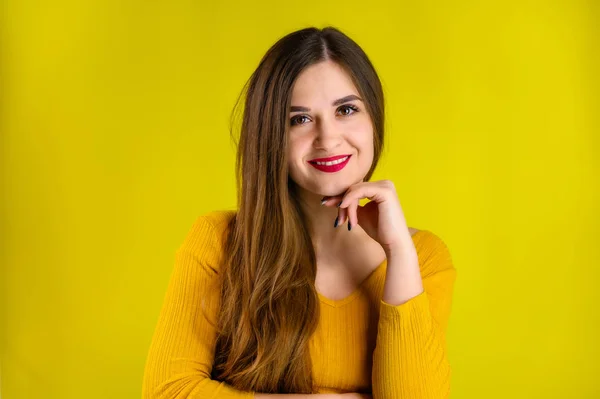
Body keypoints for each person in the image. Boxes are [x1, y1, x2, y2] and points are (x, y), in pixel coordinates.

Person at [142, 26, 457, 399]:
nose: (328, 138)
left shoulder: (423, 258)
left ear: (374, 118)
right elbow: (167, 391)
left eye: (346, 110)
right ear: (270, 134)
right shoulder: (220, 242)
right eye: (300, 119)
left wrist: (399, 252)